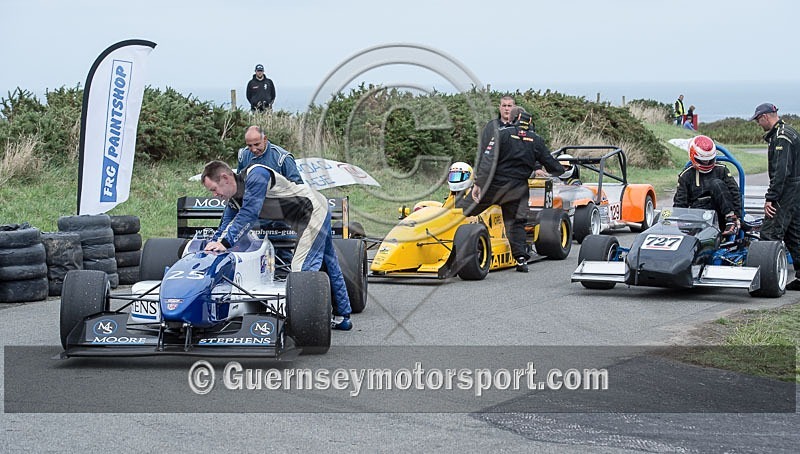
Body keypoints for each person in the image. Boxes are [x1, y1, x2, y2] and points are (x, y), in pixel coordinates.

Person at [200, 160, 353, 329]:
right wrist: (213, 244)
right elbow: (226, 224)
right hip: (301, 217)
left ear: (225, 178)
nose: (214, 194)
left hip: (313, 210)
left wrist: (226, 242)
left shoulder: (256, 174)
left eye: (214, 189)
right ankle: (342, 317)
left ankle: (305, 325)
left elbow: (250, 213)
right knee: (328, 261)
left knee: (301, 270)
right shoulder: (233, 199)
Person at [471, 106, 565, 272]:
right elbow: (552, 165)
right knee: (517, 223)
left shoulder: (501, 134)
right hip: (519, 188)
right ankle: (521, 259)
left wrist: (478, 183)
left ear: (512, 120)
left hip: (495, 186)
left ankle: (455, 238)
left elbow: (487, 160)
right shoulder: (536, 140)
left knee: (468, 210)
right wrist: (560, 171)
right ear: (528, 122)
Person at [237, 125, 303, 273]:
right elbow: (240, 182)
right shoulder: (243, 155)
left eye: (257, 145)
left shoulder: (282, 158)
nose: (253, 149)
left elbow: (298, 187)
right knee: (253, 249)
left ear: (265, 139)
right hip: (256, 212)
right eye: (249, 145)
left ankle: (283, 277)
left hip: (280, 212)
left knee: (282, 252)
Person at [751, 102, 800, 289]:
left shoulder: (781, 138)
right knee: (794, 233)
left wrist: (771, 198)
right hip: (796, 189)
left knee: (770, 234)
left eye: (758, 120)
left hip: (787, 190)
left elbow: (781, 173)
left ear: (765, 117)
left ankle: (766, 281)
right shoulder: (791, 131)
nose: (758, 124)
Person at [673, 135, 741, 236]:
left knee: (716, 183)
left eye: (709, 159)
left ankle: (731, 221)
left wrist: (738, 216)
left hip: (721, 214)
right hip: (698, 217)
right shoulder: (686, 176)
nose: (706, 162)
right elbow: (680, 204)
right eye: (703, 160)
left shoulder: (721, 170)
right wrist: (675, 223)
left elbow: (735, 194)